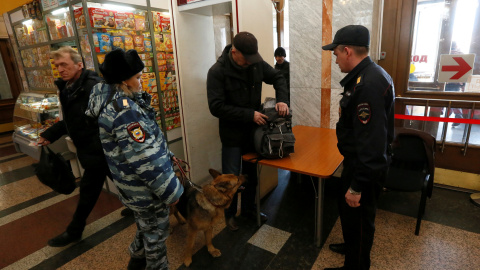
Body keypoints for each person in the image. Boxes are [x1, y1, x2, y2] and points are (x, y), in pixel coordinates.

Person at [86, 49, 183, 270]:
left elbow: (150, 144)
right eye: (138, 78)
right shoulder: (124, 112)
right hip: (146, 192)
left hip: (133, 189)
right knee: (156, 237)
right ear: (124, 80)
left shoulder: (114, 101)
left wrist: (169, 156)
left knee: (145, 227)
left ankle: (136, 262)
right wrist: (171, 193)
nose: (141, 82)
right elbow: (144, 159)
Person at [322, 25, 395, 270]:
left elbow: (372, 144)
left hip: (364, 168)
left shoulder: (367, 85)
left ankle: (356, 265)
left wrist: (357, 185)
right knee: (349, 215)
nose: (335, 60)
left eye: (336, 54)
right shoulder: (368, 76)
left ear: (348, 51)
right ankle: (351, 246)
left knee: (361, 221)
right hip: (357, 163)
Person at [207, 31, 289, 231]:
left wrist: (282, 99)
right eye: (246, 59)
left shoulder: (256, 63)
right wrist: (249, 114)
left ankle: (249, 210)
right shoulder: (217, 71)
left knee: (251, 174)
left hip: (253, 133)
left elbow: (278, 76)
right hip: (232, 134)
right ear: (234, 52)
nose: (250, 63)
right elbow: (216, 107)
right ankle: (229, 216)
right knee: (230, 178)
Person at [38, 46, 110, 247]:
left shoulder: (93, 87)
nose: (60, 69)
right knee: (128, 184)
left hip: (101, 152)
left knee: (88, 193)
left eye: (64, 64)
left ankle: (74, 231)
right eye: (57, 65)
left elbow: (105, 120)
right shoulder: (69, 87)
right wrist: (50, 135)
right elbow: (72, 120)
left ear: (79, 65)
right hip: (94, 152)